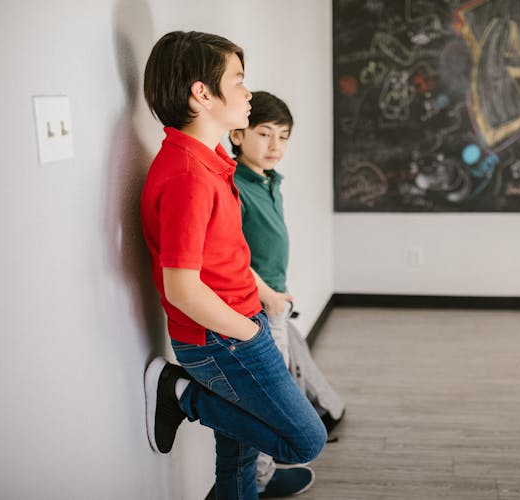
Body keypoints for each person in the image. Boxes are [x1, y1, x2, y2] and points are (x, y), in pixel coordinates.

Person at [140, 31, 326, 500]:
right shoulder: (187, 174)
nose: (247, 93)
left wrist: (259, 298)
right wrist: (250, 334)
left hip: (238, 323)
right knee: (305, 438)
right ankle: (181, 395)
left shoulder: (210, 160)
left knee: (239, 458)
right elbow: (181, 288)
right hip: (227, 339)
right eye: (238, 80)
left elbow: (223, 256)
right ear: (202, 93)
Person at [228, 92, 346, 496]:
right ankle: (262, 478)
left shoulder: (268, 180)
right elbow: (230, 254)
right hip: (255, 309)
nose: (276, 145)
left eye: (284, 136)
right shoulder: (234, 185)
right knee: (269, 398)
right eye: (265, 134)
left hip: (275, 301)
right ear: (238, 134)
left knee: (274, 392)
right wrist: (270, 297)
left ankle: (263, 473)